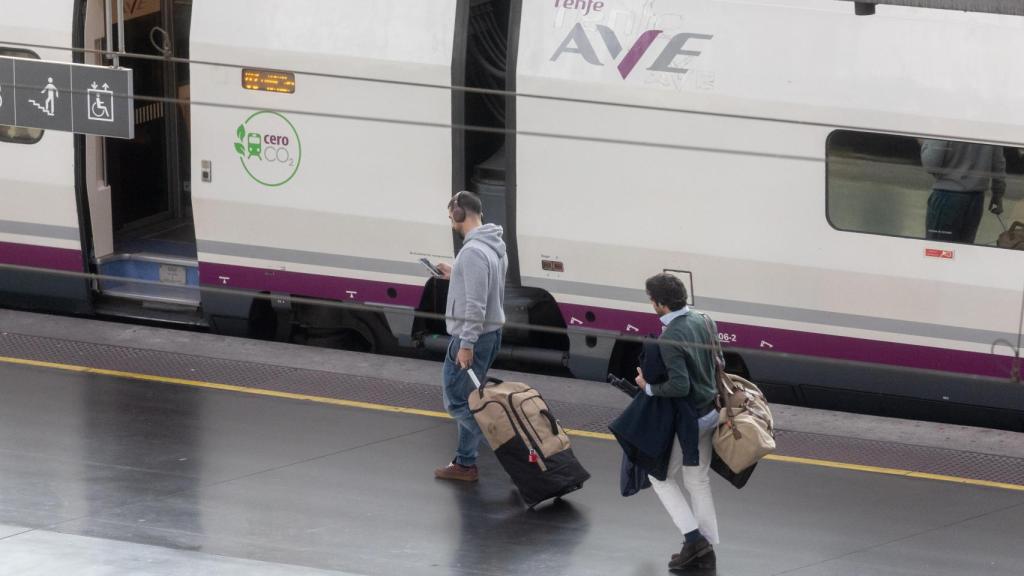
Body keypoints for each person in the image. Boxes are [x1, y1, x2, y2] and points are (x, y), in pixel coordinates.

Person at [635, 273, 720, 571]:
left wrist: (646, 385)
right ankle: (707, 548)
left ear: (660, 304)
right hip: (711, 412)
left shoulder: (669, 337)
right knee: (698, 480)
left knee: (659, 477)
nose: (651, 304)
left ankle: (694, 538)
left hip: (690, 420)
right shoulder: (704, 320)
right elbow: (717, 363)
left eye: (651, 300)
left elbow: (679, 387)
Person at [434, 191, 508, 482]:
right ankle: (465, 464)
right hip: (490, 334)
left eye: (450, 214)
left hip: (473, 337)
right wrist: (456, 273)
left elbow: (476, 304)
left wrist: (466, 345)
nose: (451, 220)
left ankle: (512, 449)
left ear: (459, 213)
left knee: (455, 402)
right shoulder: (492, 246)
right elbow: (484, 288)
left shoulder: (474, 251)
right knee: (470, 399)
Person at [921, 139, 1006, 244]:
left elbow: (931, 164)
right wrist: (998, 193)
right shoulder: (990, 127)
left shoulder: (947, 124)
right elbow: (998, 162)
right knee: (963, 252)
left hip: (947, 198)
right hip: (976, 200)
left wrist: (926, 142)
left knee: (940, 252)